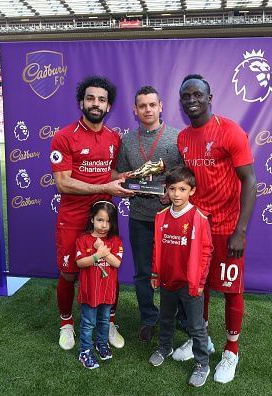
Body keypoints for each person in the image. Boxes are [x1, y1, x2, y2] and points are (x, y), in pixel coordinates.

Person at [176, 74, 257, 384]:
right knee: (198, 287)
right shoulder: (183, 138)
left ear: (210, 98)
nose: (192, 100)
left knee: (231, 291)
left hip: (226, 229)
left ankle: (231, 350)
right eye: (186, 96)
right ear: (181, 102)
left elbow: (250, 180)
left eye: (198, 94)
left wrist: (241, 230)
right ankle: (202, 339)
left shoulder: (230, 131)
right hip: (197, 229)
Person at [50, 76, 133, 351]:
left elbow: (110, 174)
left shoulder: (113, 138)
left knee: (108, 268)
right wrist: (105, 185)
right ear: (81, 102)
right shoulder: (63, 136)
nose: (95, 104)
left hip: (104, 219)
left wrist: (126, 179)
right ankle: (66, 323)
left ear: (108, 106)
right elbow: (63, 182)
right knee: (70, 273)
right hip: (73, 218)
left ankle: (108, 323)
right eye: (90, 98)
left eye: (101, 99)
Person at [115, 85, 183, 342]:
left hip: (172, 217)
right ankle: (148, 318)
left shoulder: (176, 138)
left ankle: (175, 317)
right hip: (140, 217)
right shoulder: (128, 140)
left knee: (173, 272)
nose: (147, 109)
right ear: (135, 109)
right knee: (142, 272)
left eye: (152, 104)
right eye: (142, 105)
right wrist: (124, 182)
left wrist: (172, 191)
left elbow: (186, 177)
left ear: (161, 106)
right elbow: (118, 173)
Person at [148, 166, 213, 387]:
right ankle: (165, 347)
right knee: (166, 318)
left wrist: (201, 281)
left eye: (182, 189)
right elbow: (157, 247)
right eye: (172, 189)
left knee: (196, 326)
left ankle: (202, 363)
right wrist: (155, 272)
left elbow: (206, 251)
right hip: (168, 280)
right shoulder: (161, 217)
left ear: (192, 191)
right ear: (166, 190)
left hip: (190, 283)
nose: (176, 194)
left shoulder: (199, 217)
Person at [75, 201, 123, 369]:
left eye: (108, 221)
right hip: (89, 292)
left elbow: (116, 263)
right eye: (100, 220)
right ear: (92, 220)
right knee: (88, 322)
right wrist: (97, 256)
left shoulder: (115, 241)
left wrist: (104, 252)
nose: (104, 225)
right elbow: (80, 263)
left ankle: (101, 343)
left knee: (104, 320)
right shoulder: (83, 240)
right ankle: (85, 351)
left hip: (107, 292)